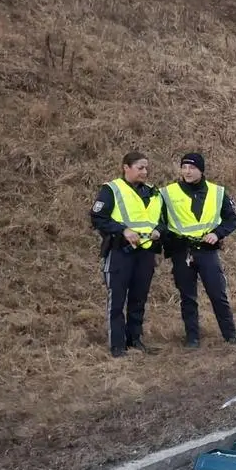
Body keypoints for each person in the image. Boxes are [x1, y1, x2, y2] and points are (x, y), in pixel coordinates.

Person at [159, 152, 236, 348]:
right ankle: (192, 338)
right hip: (182, 251)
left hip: (207, 251)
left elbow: (232, 218)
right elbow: (158, 220)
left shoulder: (217, 192)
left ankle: (230, 336)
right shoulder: (166, 193)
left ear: (201, 170)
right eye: (184, 167)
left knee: (218, 294)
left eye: (192, 168)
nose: (187, 171)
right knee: (187, 297)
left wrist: (218, 233)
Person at [90, 152, 164, 357]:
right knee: (117, 300)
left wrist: (159, 231)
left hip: (145, 253)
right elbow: (98, 217)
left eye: (146, 168)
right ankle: (117, 346)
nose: (145, 172)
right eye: (140, 168)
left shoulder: (153, 192)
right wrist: (123, 230)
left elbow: (162, 220)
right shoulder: (111, 189)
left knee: (138, 299)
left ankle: (135, 340)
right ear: (126, 167)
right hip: (120, 252)